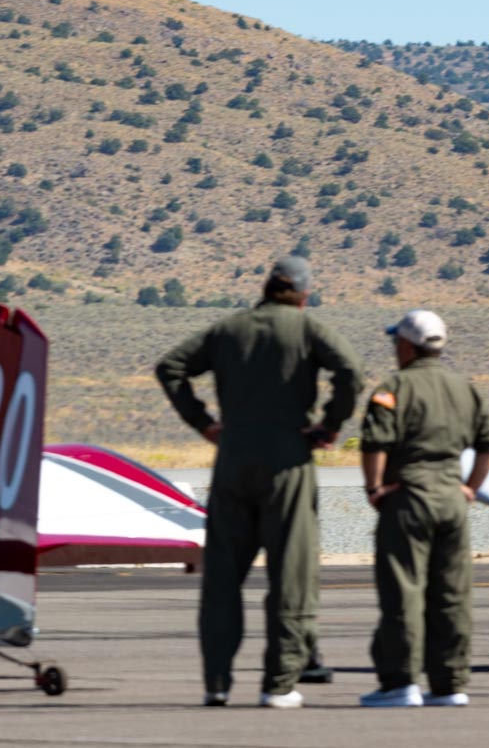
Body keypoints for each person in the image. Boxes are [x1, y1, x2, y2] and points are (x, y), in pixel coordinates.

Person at [155, 256, 365, 707]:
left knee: (223, 578)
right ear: (304, 295)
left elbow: (170, 366)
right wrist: (329, 426)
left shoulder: (229, 329)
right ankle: (279, 683)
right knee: (291, 575)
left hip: (232, 459)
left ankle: (216, 683)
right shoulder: (307, 330)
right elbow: (351, 373)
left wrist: (204, 424)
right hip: (288, 460)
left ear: (267, 288)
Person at [357, 309, 489, 708]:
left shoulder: (394, 388)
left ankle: (400, 682)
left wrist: (374, 488)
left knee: (404, 590)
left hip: (409, 496)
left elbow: (375, 444)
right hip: (453, 499)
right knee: (452, 593)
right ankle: (449, 683)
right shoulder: (463, 388)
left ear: (406, 345)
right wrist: (470, 489)